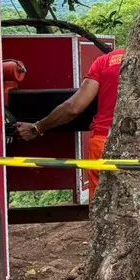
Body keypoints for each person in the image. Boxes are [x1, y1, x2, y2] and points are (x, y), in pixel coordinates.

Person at [15, 47, 126, 198]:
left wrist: (37, 127)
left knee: (102, 205)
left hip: (104, 143)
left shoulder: (105, 62)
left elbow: (73, 108)